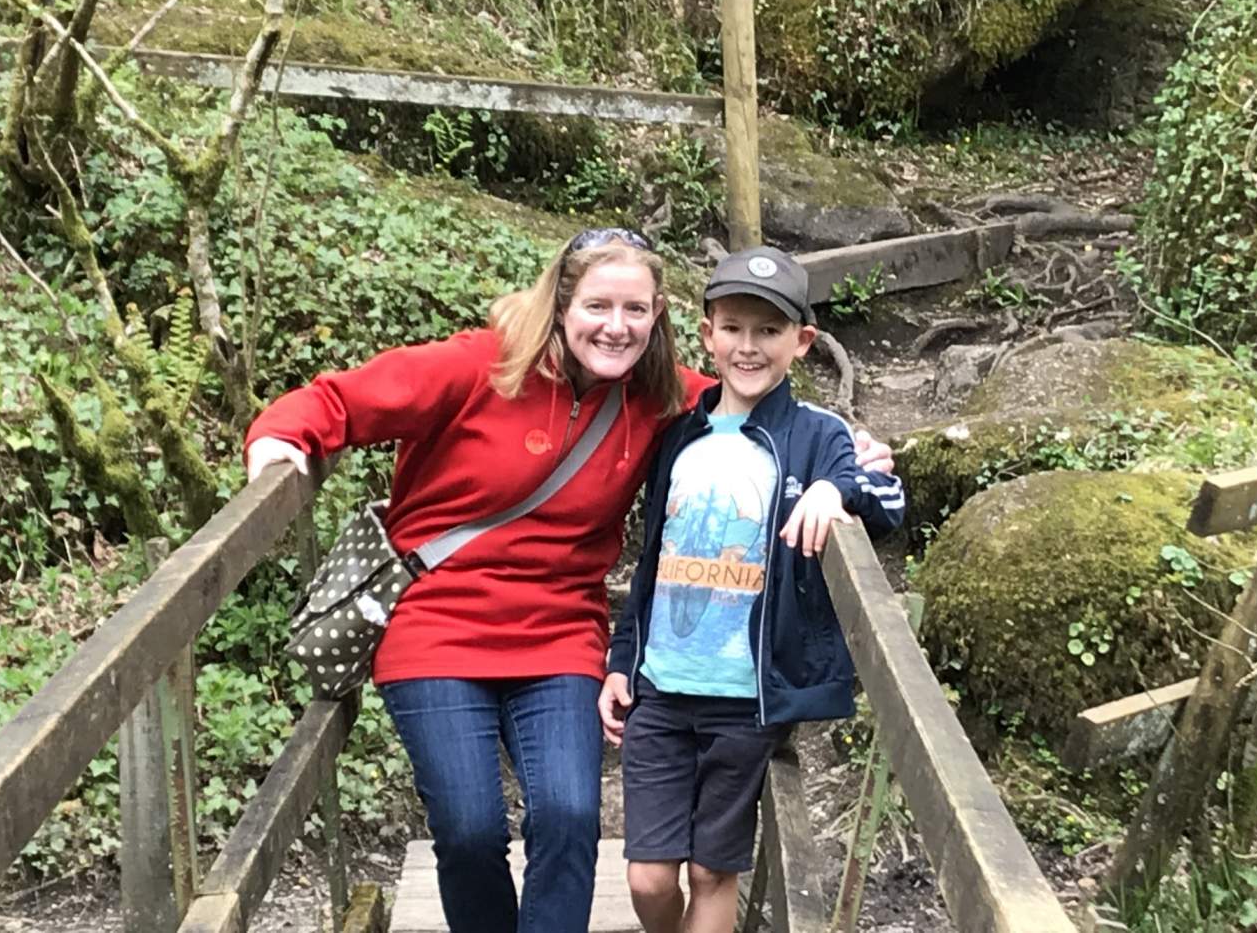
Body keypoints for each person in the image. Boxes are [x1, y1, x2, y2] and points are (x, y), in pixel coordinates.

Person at [243, 229, 895, 933]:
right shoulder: (478, 366)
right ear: (560, 304)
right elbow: (343, 401)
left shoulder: (658, 398)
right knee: (466, 829)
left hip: (559, 634)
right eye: (598, 306)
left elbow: (757, 401)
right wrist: (283, 437)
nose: (616, 327)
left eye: (636, 311)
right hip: (437, 624)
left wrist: (848, 465)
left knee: (570, 816)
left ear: (660, 319)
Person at [598, 246, 906, 933]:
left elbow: (890, 498)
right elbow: (652, 561)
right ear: (707, 333)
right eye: (733, 327)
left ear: (801, 343)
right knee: (648, 876)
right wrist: (622, 661)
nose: (748, 346)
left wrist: (836, 486)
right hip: (661, 690)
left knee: (713, 870)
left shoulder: (819, 434)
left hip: (747, 698)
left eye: (768, 331)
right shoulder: (678, 437)